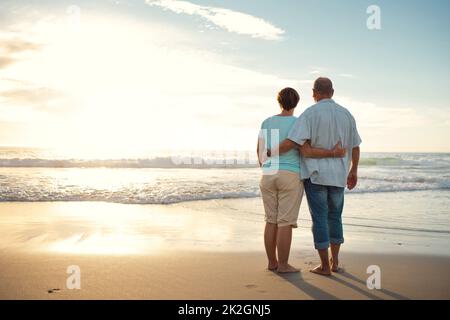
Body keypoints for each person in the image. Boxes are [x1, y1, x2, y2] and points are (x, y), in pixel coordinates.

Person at [274, 78, 362, 276]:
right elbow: (355, 147)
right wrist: (354, 170)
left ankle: (324, 266)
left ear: (315, 93)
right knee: (336, 217)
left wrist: (269, 152)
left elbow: (296, 143)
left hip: (316, 177)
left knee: (320, 219)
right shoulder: (347, 115)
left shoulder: (310, 114)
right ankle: (335, 262)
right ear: (332, 91)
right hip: (339, 176)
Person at [257, 87, 346, 273]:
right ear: (296, 103)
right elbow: (306, 151)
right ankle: (283, 265)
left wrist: (266, 168)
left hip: (268, 173)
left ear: (279, 102)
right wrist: (334, 153)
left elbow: (260, 150)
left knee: (270, 220)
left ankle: (271, 262)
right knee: (285, 221)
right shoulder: (299, 123)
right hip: (290, 173)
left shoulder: (267, 122)